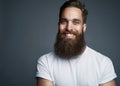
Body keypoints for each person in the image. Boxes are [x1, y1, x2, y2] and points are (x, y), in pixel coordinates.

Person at [36, 0, 117, 86]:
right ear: (58, 25)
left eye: (76, 22)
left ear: (84, 27)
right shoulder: (46, 62)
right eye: (64, 21)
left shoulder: (103, 63)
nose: (69, 27)